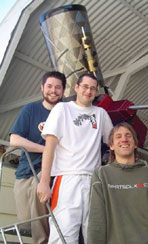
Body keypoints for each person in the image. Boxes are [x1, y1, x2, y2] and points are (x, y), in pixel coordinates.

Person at [37, 73, 113, 244]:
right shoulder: (62, 109)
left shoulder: (101, 114)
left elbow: (113, 143)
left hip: (94, 181)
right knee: (63, 235)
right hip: (66, 179)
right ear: (77, 88)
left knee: (95, 235)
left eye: (93, 88)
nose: (88, 91)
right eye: (85, 87)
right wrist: (44, 181)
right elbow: (49, 146)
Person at [87, 122, 148, 244]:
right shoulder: (101, 174)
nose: (124, 139)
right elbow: (96, 219)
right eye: (118, 137)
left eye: (128, 135)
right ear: (111, 146)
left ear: (135, 144)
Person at [9, 71, 66, 244]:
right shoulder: (31, 109)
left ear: (63, 91)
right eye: (49, 86)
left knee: (40, 185)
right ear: (42, 88)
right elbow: (14, 139)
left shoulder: (67, 112)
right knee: (27, 219)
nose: (53, 91)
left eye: (58, 87)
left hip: (53, 170)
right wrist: (46, 149)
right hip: (26, 171)